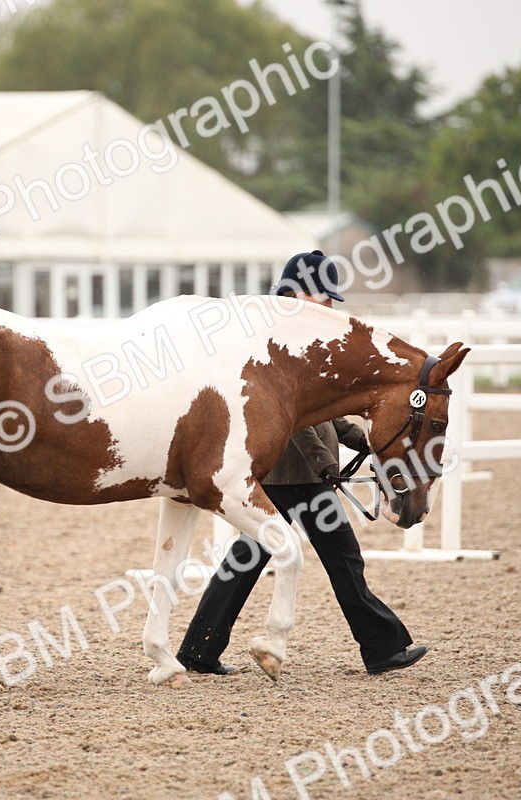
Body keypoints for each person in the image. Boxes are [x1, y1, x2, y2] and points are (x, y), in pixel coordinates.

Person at [176, 250, 427, 677]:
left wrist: (357, 439)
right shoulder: (278, 339)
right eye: (322, 298)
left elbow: (319, 411)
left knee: (250, 560)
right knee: (340, 558)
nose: (329, 307)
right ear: (295, 293)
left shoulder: (304, 337)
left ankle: (199, 649)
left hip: (298, 474)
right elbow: (286, 419)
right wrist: (326, 462)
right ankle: (382, 648)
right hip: (292, 473)